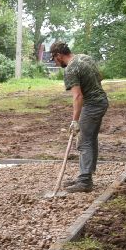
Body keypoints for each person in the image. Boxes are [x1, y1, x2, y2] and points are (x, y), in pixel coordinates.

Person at [49, 40, 107, 193]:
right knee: (90, 138)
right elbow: (100, 77)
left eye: (54, 59)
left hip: (92, 105)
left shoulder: (71, 69)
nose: (55, 63)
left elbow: (78, 96)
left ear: (59, 55)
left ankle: (85, 181)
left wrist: (75, 121)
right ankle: (86, 175)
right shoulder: (84, 57)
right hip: (101, 101)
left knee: (84, 141)